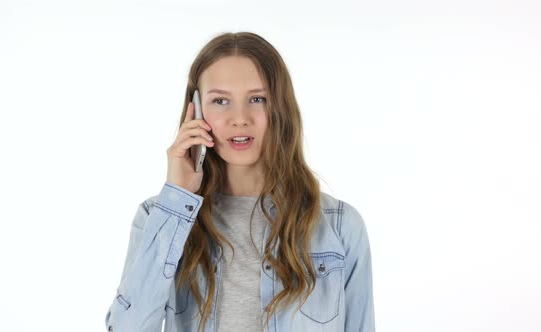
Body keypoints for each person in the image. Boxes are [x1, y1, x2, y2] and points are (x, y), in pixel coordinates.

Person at [105, 31, 375, 332]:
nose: (240, 118)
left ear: (280, 108)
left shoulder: (340, 227)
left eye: (257, 99)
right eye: (220, 100)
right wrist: (177, 196)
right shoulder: (157, 219)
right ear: (195, 108)